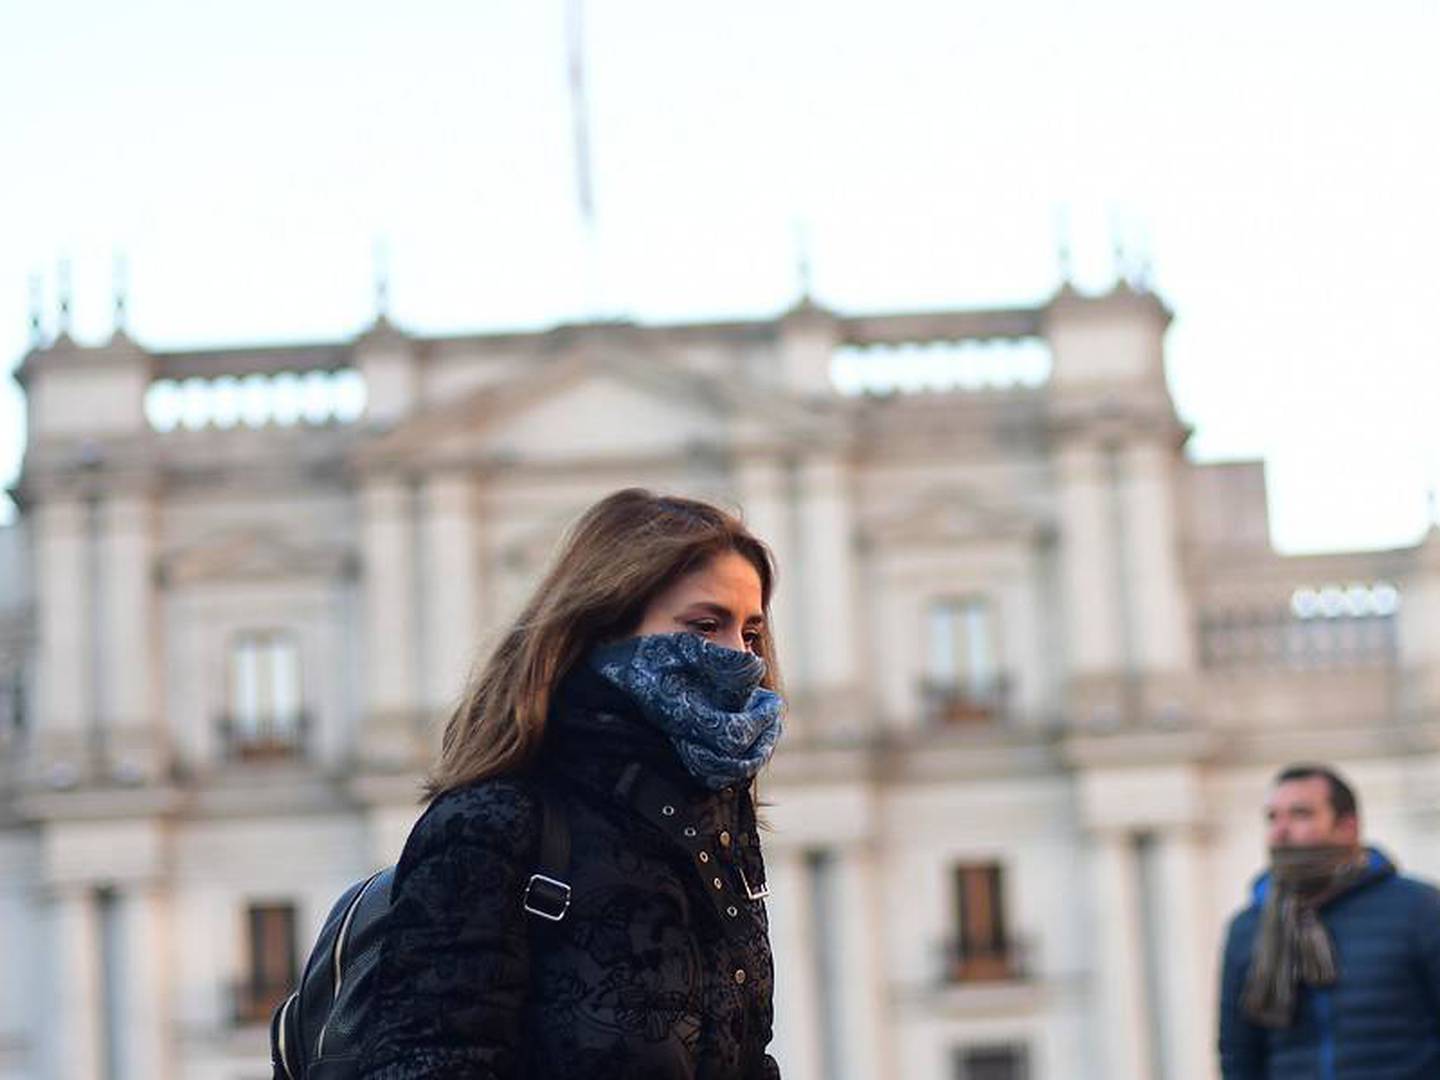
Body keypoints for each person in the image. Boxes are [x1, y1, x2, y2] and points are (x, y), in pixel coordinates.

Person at [358, 488, 785, 1079]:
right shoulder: (491, 822)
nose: (738, 656)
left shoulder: (718, 826)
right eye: (705, 625)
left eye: (751, 632)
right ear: (602, 628)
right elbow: (428, 1062)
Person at [1217, 763, 1440, 1079]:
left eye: (1301, 815)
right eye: (1272, 817)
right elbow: (1239, 1053)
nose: (1280, 831)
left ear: (1347, 826)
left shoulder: (1418, 908)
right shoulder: (1249, 927)